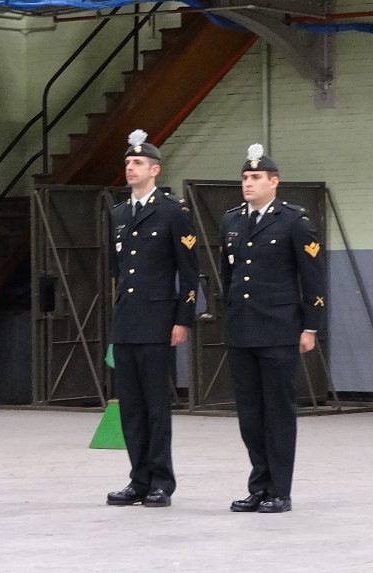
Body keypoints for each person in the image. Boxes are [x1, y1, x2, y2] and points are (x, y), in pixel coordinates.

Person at [219, 144, 326, 513]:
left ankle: (280, 490)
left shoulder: (294, 221)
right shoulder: (232, 221)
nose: (248, 183)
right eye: (245, 178)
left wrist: (310, 327)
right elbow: (228, 276)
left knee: (278, 412)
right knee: (250, 414)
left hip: (279, 329)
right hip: (242, 329)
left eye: (256, 177)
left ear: (274, 182)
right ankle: (259, 486)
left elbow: (313, 278)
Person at [106, 130, 199, 508]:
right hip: (127, 321)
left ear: (155, 169)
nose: (131, 168)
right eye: (128, 162)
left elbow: (189, 272)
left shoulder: (173, 211)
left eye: (138, 162)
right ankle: (138, 479)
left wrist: (182, 319)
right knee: (130, 406)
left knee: (156, 406)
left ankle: (161, 481)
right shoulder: (118, 213)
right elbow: (116, 270)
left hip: (159, 320)